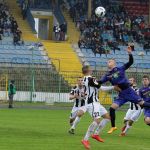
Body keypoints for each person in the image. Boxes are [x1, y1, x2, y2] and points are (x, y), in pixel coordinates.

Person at [97, 46, 150, 134]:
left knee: (142, 104)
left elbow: (131, 62)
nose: (108, 62)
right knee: (112, 108)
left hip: (129, 91)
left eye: (110, 61)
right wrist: (92, 80)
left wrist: (129, 53)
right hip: (121, 94)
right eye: (108, 61)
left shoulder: (120, 68)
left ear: (114, 63)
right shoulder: (107, 75)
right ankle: (113, 126)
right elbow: (100, 82)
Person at [81, 66, 115, 150]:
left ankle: (96, 134)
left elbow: (98, 84)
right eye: (90, 68)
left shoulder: (87, 79)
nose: (92, 69)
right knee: (97, 120)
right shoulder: (89, 79)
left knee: (107, 117)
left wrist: (109, 77)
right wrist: (113, 87)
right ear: (89, 70)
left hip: (96, 103)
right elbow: (101, 88)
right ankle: (85, 140)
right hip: (92, 103)